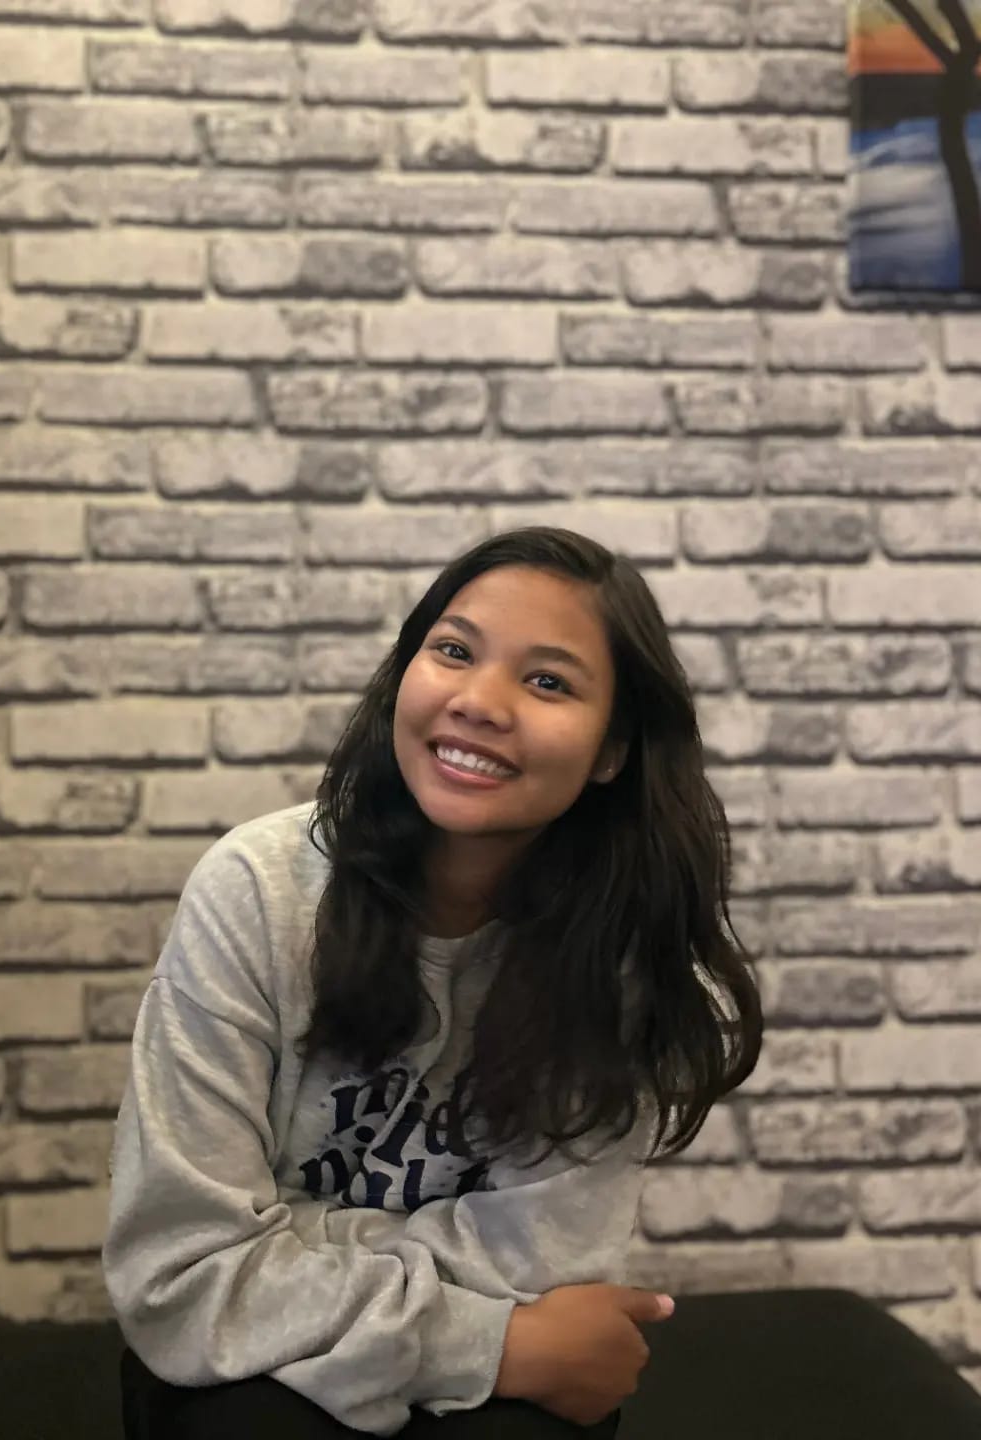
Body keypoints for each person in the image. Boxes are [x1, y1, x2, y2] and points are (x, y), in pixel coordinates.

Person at [104, 526, 764, 1438]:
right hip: (248, 1368)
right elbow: (182, 1277)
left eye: (547, 681)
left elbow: (550, 1264)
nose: (479, 702)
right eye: (453, 651)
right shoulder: (257, 892)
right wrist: (494, 1344)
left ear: (612, 750)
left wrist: (293, 1239)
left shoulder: (622, 954)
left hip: (439, 1347)